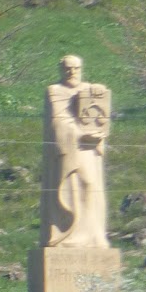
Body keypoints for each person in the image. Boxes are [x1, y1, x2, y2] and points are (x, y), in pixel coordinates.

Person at [40, 54, 111, 249]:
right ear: (61, 70)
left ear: (81, 69)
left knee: (90, 185)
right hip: (68, 149)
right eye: (67, 68)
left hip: (88, 149)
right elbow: (57, 121)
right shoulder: (54, 91)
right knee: (72, 186)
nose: (72, 72)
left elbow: (101, 114)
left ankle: (91, 235)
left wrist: (98, 131)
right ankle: (68, 235)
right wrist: (79, 133)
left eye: (76, 68)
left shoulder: (89, 89)